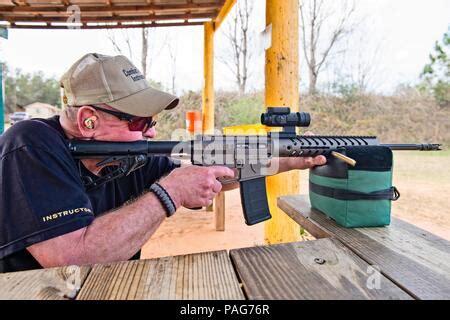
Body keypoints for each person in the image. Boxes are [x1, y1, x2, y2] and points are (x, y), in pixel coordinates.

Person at [0, 53, 326, 273]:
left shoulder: (127, 156)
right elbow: (71, 261)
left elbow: (204, 174)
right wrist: (167, 194)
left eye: (153, 120)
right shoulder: (30, 144)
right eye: (141, 121)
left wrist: (285, 161)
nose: (152, 130)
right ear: (88, 121)